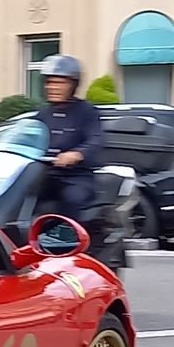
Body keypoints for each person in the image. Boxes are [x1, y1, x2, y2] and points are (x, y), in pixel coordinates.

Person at [31, 54, 103, 223]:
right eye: (49, 82)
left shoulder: (87, 111)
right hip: (45, 174)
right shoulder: (43, 113)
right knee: (20, 195)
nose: (52, 87)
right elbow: (25, 137)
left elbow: (97, 139)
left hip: (75, 176)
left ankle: (67, 243)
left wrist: (77, 154)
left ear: (73, 84)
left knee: (72, 199)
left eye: (59, 82)